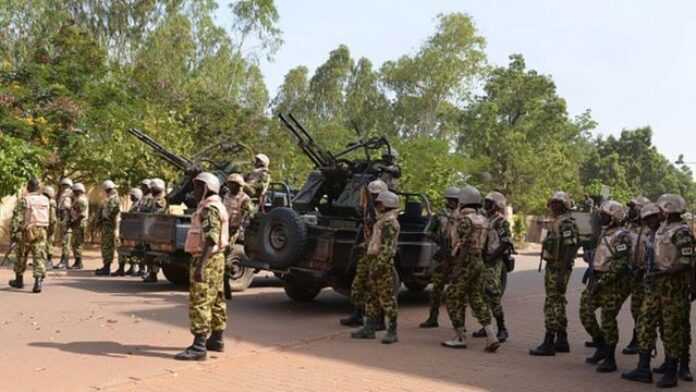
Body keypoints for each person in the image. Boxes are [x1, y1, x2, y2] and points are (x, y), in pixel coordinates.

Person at [623, 195, 694, 387]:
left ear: (669, 210)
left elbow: (686, 261)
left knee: (672, 330)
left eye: (661, 210)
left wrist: (663, 274)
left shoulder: (682, 232)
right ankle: (643, 368)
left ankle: (673, 371)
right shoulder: (660, 230)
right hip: (654, 286)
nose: (658, 213)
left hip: (672, 288)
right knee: (645, 323)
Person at [175, 172, 229, 361]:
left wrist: (200, 267)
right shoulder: (216, 205)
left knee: (200, 300)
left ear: (206, 189)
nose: (194, 191)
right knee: (216, 299)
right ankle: (217, 339)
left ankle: (199, 346)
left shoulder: (209, 209)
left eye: (198, 187)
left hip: (207, 259)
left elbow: (211, 239)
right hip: (217, 259)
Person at [442, 185, 500, 352]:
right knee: (476, 298)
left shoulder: (465, 221)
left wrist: (457, 268)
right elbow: (489, 245)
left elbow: (463, 245)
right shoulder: (484, 220)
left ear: (463, 201)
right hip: (479, 261)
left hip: (466, 262)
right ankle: (491, 336)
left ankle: (460, 336)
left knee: (453, 297)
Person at [579, 200, 632, 373]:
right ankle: (601, 344)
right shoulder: (604, 233)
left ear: (614, 218)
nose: (600, 217)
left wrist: (602, 281)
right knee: (585, 311)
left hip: (614, 283)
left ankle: (610, 358)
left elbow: (621, 263)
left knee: (608, 318)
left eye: (604, 215)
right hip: (597, 278)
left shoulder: (622, 235)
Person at [530, 191, 580, 356]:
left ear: (563, 205)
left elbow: (571, 247)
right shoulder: (557, 221)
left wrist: (562, 272)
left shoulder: (566, 223)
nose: (552, 205)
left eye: (556, 203)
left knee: (552, 303)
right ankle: (562, 339)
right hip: (554, 266)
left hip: (559, 267)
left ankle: (549, 341)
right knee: (558, 302)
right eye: (552, 202)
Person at [351, 191, 401, 344]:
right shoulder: (382, 221)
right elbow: (376, 242)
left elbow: (387, 249)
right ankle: (369, 328)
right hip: (374, 261)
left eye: (379, 203)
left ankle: (392, 331)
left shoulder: (389, 223)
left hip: (382, 265)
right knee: (372, 297)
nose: (377, 206)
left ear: (386, 205)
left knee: (387, 298)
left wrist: (378, 267)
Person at [341, 179, 389, 328]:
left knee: (376, 287)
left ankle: (379, 320)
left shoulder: (387, 211)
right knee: (358, 284)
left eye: (376, 194)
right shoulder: (368, 207)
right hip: (366, 250)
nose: (374, 197)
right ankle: (357, 314)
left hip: (378, 252)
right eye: (372, 194)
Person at [472, 191, 513, 342]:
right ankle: (486, 326)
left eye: (489, 203)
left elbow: (506, 242)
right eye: (486, 202)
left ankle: (502, 328)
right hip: (482, 260)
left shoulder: (500, 221)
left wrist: (492, 257)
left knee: (493, 293)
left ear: (497, 205)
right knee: (481, 294)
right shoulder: (483, 219)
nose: (485, 205)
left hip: (493, 261)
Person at [420, 186, 461, 328]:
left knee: (459, 291)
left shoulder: (463, 215)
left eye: (453, 200)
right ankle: (432, 318)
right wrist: (439, 240)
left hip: (458, 256)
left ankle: (459, 323)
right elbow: (428, 231)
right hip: (444, 256)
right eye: (449, 200)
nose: (450, 202)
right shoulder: (440, 215)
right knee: (436, 288)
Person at [9, 178, 50, 293]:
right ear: (38, 188)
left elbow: (16, 218)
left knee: (21, 255)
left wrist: (13, 234)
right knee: (39, 256)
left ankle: (19, 280)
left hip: (27, 231)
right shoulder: (45, 200)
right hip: (42, 230)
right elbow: (50, 217)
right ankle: (38, 282)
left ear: (29, 187)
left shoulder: (25, 200)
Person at [622, 196, 651, 355]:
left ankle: (639, 340)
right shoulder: (629, 226)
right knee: (635, 309)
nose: (631, 210)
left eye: (634, 207)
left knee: (642, 310)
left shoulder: (653, 227)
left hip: (645, 275)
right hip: (630, 273)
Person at [222, 174, 253, 299]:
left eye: (231, 184)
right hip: (224, 228)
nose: (229, 186)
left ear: (238, 185)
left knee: (225, 258)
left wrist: (241, 229)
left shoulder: (244, 199)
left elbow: (248, 216)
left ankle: (226, 287)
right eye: (228, 183)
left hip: (234, 230)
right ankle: (224, 286)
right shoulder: (226, 196)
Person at [141, 178, 168, 282]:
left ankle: (153, 274)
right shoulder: (154, 199)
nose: (150, 190)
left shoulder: (160, 200)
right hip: (150, 231)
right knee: (150, 254)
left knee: (154, 254)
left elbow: (157, 214)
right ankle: (151, 274)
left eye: (152, 188)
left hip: (156, 232)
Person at [96, 181, 121, 276]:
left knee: (107, 246)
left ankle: (107, 268)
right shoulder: (111, 198)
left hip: (110, 225)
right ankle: (106, 266)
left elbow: (110, 213)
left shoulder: (113, 199)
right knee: (106, 246)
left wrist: (102, 219)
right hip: (108, 225)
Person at [117, 188, 143, 276]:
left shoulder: (139, 205)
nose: (131, 197)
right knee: (130, 250)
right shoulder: (134, 204)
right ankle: (131, 268)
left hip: (135, 231)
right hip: (131, 231)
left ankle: (137, 268)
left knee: (135, 250)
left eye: (132, 195)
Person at [69, 183, 88, 270]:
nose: (73, 192)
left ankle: (79, 262)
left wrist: (74, 222)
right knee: (75, 243)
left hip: (79, 224)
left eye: (74, 191)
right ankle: (77, 261)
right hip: (78, 223)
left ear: (78, 191)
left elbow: (82, 215)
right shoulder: (79, 199)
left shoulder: (81, 200)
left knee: (77, 243)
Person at [56, 178, 73, 269]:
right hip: (64, 219)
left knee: (66, 241)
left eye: (64, 185)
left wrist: (66, 220)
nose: (62, 187)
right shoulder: (66, 194)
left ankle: (64, 261)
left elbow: (67, 208)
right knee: (64, 241)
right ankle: (63, 261)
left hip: (66, 220)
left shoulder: (68, 195)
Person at [42, 185, 57, 270]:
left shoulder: (51, 202)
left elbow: (52, 217)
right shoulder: (49, 201)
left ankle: (49, 261)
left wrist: (51, 227)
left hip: (49, 225)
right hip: (47, 224)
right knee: (47, 242)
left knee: (49, 242)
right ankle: (46, 260)